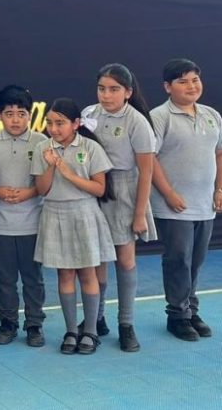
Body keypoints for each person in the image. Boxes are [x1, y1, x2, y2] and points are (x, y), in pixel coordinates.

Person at [31, 99, 116, 355]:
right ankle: (71, 330)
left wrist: (68, 173)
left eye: (60, 123)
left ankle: (90, 330)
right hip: (54, 212)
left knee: (88, 274)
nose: (53, 129)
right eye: (49, 123)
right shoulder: (43, 148)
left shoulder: (90, 147)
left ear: (76, 124)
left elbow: (100, 188)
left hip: (84, 213)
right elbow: (42, 190)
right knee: (64, 275)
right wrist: (49, 166)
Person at [83, 64, 157, 352]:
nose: (106, 95)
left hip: (126, 190)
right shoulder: (89, 114)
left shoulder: (137, 122)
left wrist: (139, 214)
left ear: (128, 92)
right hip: (96, 190)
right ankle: (96, 318)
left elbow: (146, 173)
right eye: (102, 88)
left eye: (114, 89)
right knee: (98, 259)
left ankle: (126, 324)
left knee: (125, 261)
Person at [150, 58, 222, 341]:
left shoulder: (211, 115)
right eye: (182, 81)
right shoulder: (159, 117)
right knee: (178, 258)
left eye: (195, 80)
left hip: (205, 203)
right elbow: (149, 159)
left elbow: (219, 153)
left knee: (197, 259)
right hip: (174, 204)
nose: (191, 86)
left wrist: (219, 190)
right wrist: (168, 193)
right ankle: (177, 315)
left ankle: (191, 309)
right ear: (168, 87)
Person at [0, 86, 47, 347]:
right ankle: (8, 322)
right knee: (5, 279)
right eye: (9, 113)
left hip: (32, 223)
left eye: (21, 114)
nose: (15, 119)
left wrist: (29, 192)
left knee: (33, 279)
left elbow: (46, 182)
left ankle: (34, 324)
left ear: (30, 115)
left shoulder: (41, 142)